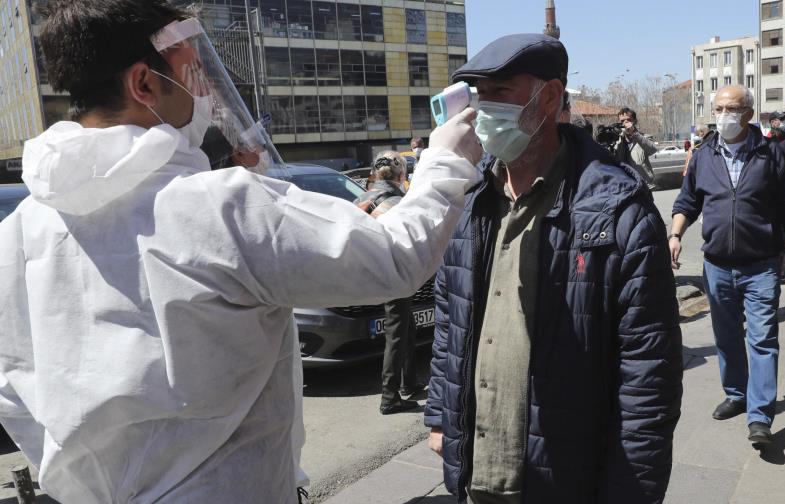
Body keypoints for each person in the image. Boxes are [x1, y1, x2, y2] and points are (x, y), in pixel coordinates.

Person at [0, 1, 482, 503]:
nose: (205, 90)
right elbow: (397, 257)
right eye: (193, 70)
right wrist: (445, 158)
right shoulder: (219, 205)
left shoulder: (18, 233)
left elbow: (17, 392)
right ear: (144, 84)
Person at [424, 33, 683, 504]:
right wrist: (441, 415)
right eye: (479, 95)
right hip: (476, 472)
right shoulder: (469, 198)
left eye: (500, 93)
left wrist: (631, 492)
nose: (484, 110)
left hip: (565, 477)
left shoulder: (618, 209)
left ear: (549, 96)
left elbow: (649, 374)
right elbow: (450, 316)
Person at [670, 85, 785, 445]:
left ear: (748, 112)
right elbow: (687, 201)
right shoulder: (703, 154)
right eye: (718, 108)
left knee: (762, 339)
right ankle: (736, 394)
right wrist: (676, 235)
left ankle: (760, 416)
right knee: (727, 337)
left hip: (761, 265)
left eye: (731, 108)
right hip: (716, 266)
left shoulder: (771, 153)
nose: (723, 114)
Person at [354, 152, 428, 414]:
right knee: (397, 334)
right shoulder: (399, 202)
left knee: (407, 328)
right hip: (395, 274)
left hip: (370, 273)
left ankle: (410, 381)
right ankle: (390, 397)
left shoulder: (360, 200)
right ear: (401, 175)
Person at [614, 106, 659, 189]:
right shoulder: (617, 140)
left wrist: (634, 133)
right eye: (622, 121)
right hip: (625, 186)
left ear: (635, 121)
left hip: (644, 185)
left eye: (629, 120)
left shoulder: (644, 137)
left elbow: (652, 149)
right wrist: (619, 138)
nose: (625, 123)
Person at [767, 110, 785, 174]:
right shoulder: (768, 141)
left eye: (784, 119)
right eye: (781, 119)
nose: (784, 122)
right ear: (772, 122)